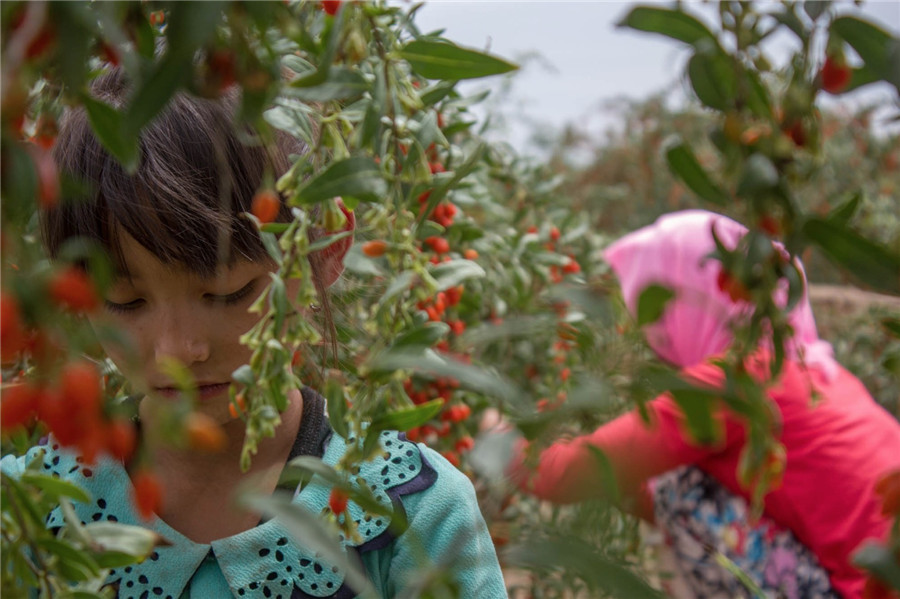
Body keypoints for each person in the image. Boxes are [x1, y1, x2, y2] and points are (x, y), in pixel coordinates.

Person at [1, 68, 507, 599]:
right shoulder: (32, 508)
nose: (178, 350)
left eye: (227, 292)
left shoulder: (414, 513)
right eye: (125, 302)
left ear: (326, 250)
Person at [514, 210, 900, 599]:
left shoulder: (732, 383)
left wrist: (500, 449)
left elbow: (568, 475)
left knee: (679, 486)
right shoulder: (816, 368)